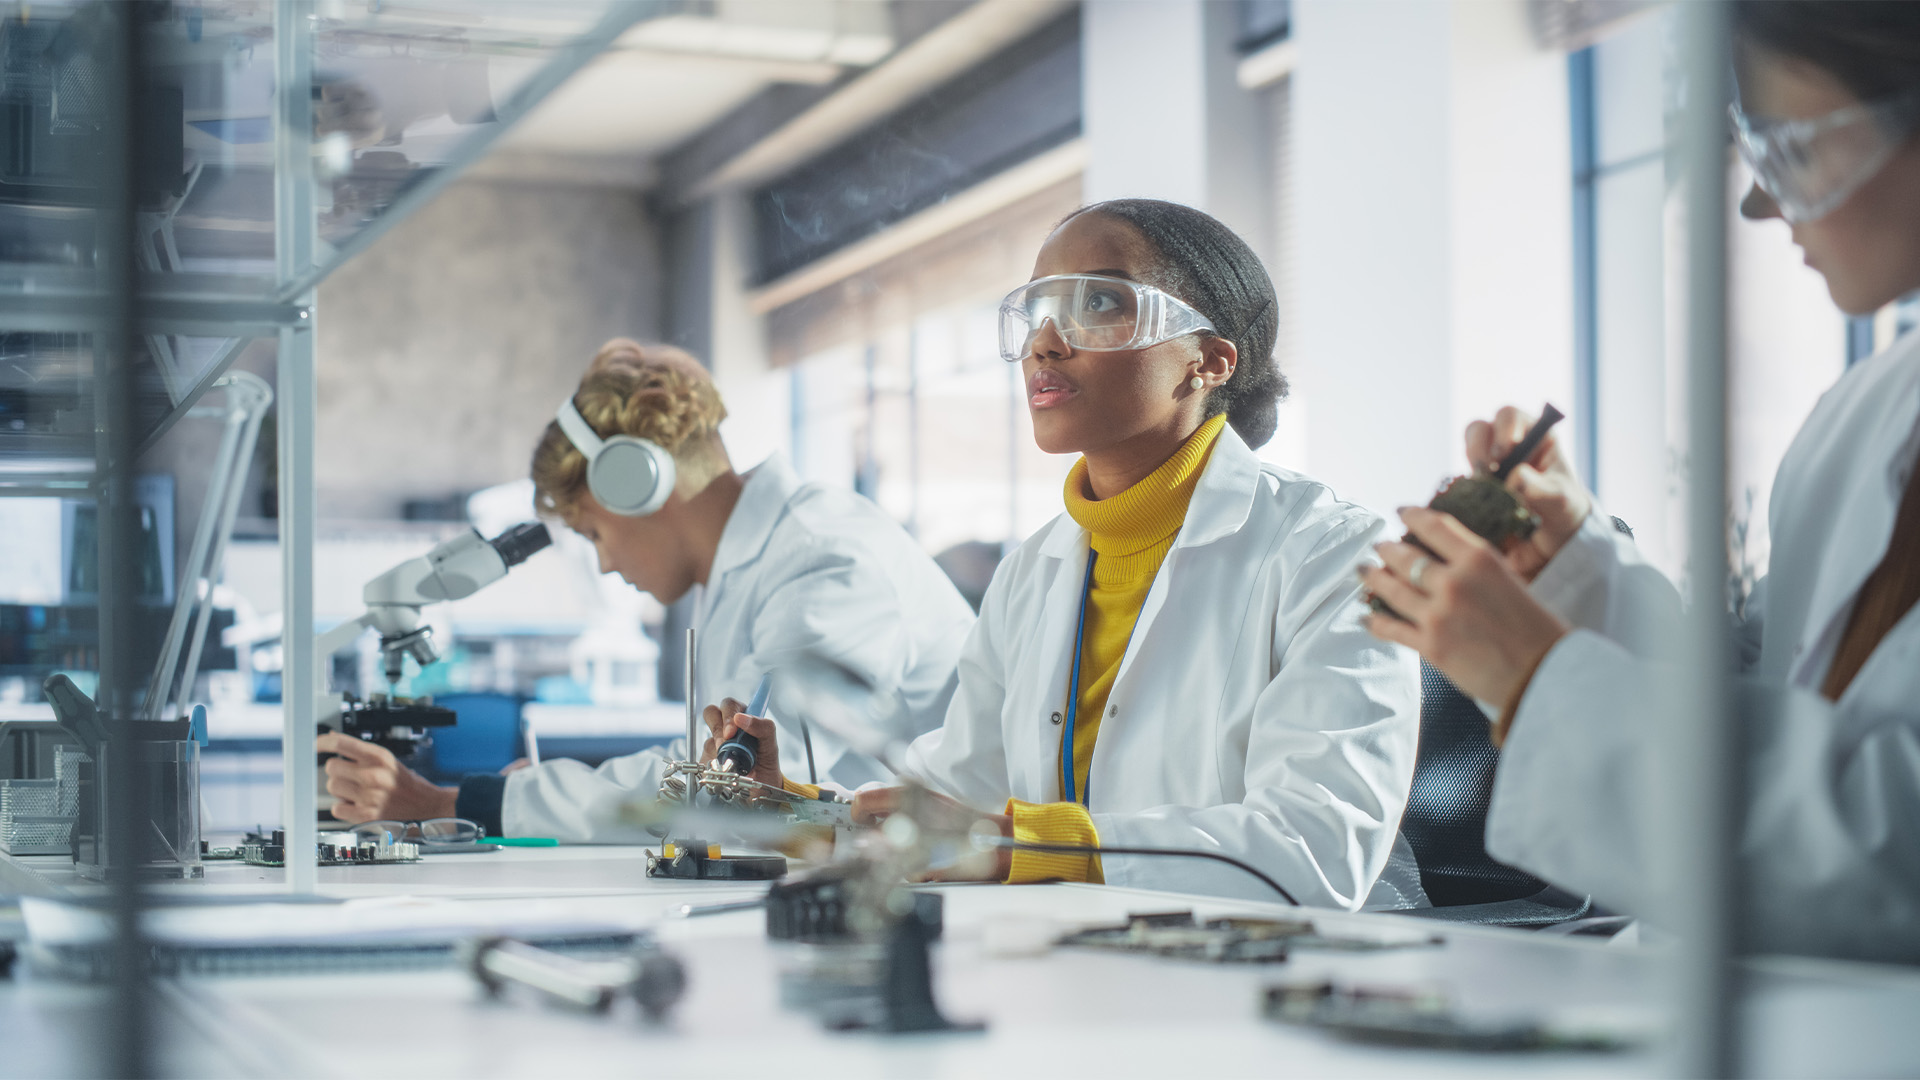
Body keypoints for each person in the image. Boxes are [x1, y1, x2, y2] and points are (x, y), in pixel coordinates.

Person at [1362, 0, 1920, 960]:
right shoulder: (1864, 411)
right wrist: (1578, 571)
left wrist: (1540, 679)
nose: (1759, 202)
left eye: (1792, 148)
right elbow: (1781, 699)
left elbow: (1892, 852)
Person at [710, 199, 1425, 909]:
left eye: (1100, 304)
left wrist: (1028, 845)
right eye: (1035, 313)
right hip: (1079, 965)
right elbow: (958, 802)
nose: (1045, 343)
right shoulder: (1034, 570)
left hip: (1290, 979)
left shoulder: (1332, 555)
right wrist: (796, 810)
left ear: (1208, 361)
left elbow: (1316, 848)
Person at [317, 339, 977, 840]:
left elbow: (736, 790)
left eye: (592, 532)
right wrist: (534, 796)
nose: (604, 566)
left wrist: (456, 805)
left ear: (637, 484)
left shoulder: (823, 561)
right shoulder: (758, 565)